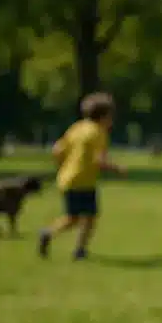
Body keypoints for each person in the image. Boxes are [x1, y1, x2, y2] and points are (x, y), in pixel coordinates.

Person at [38, 92, 126, 260]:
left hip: (67, 179)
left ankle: (51, 234)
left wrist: (62, 167)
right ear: (104, 117)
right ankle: (77, 248)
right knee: (85, 216)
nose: (112, 120)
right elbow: (99, 161)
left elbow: (57, 150)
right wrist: (117, 169)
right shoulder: (98, 132)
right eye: (111, 116)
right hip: (83, 181)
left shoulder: (77, 128)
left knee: (76, 217)